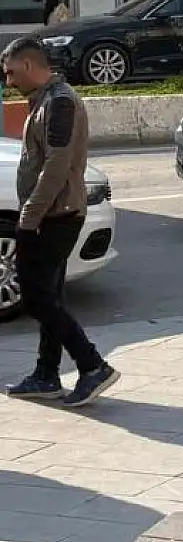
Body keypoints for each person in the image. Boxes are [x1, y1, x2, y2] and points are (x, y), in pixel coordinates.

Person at [2, 38, 119, 407]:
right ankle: (46, 374)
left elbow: (57, 165)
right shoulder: (44, 100)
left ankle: (92, 365)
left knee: (36, 297)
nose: (8, 81)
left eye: (11, 72)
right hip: (50, 214)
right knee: (49, 296)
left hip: (57, 216)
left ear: (31, 65)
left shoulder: (60, 102)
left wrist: (29, 216)